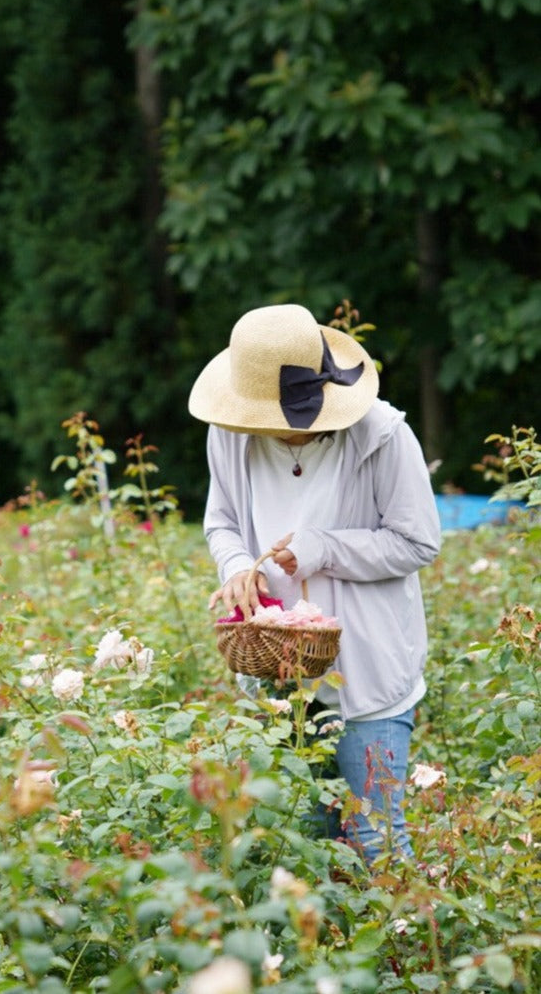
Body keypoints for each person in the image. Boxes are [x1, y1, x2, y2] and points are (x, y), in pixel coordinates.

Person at [188, 303, 441, 866]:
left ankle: (407, 950)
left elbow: (418, 542)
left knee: (376, 838)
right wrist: (235, 568)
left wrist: (321, 547)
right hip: (281, 673)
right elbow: (221, 521)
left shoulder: (382, 436)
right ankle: (323, 951)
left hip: (368, 677)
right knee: (308, 842)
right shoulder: (231, 435)